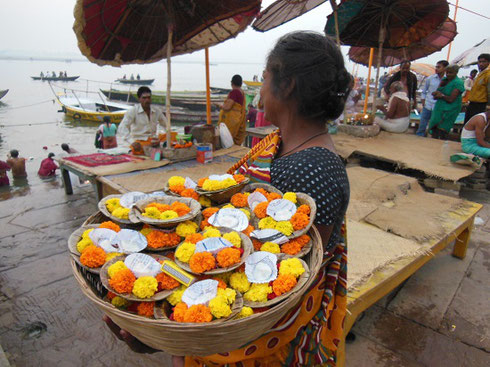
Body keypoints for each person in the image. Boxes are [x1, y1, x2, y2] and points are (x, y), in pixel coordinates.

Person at [104, 31, 350, 367]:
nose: (259, 89)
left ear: (288, 85)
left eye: (264, 78)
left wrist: (167, 336)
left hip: (263, 341)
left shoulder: (310, 169)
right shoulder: (282, 144)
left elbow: (283, 286)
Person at [117, 86, 167, 155]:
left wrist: (160, 139)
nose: (147, 100)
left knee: (171, 139)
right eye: (144, 98)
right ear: (139, 99)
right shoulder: (133, 111)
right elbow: (122, 128)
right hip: (138, 143)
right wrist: (132, 142)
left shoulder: (157, 111)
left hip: (153, 142)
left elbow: (166, 125)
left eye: (149, 98)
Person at [428, 64, 465, 140]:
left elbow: (451, 99)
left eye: (450, 73)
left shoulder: (458, 83)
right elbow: (437, 93)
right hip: (439, 109)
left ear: (456, 72)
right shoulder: (444, 80)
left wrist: (441, 95)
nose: (448, 74)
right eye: (447, 72)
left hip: (449, 111)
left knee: (442, 132)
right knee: (434, 131)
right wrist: (436, 94)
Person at [417, 60, 449, 136]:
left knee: (436, 125)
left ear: (445, 68)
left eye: (439, 67)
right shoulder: (430, 78)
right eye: (436, 67)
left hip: (438, 106)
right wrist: (423, 101)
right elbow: (424, 91)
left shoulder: (447, 80)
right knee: (422, 124)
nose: (436, 68)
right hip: (428, 104)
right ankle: (419, 137)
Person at [218, 74, 247, 145]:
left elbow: (227, 107)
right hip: (238, 119)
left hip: (232, 121)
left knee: (228, 140)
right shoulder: (241, 92)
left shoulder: (234, 92)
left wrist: (219, 105)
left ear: (232, 83)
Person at [464, 54, 490, 123]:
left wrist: (488, 106)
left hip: (481, 106)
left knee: (475, 126)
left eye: (484, 62)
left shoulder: (488, 75)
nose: (481, 64)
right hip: (472, 104)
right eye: (479, 62)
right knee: (468, 125)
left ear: (488, 62)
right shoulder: (480, 74)